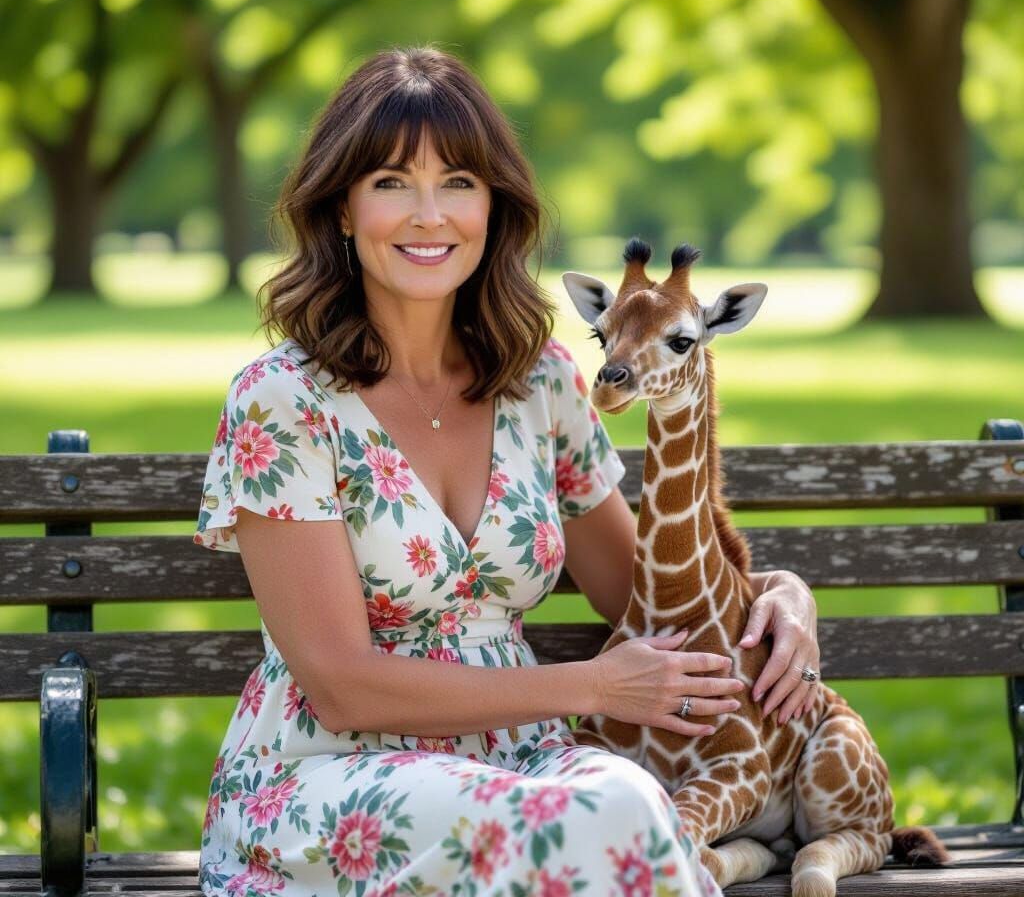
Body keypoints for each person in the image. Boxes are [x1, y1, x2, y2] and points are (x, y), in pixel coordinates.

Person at [193, 45, 821, 897]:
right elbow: (340, 687)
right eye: (390, 183)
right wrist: (594, 684)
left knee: (629, 802)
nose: (428, 215)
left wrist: (781, 591)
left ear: (494, 206)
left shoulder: (542, 383)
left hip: (522, 765)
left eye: (458, 182)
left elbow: (637, 592)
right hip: (327, 780)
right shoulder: (283, 401)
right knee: (598, 822)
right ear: (341, 208)